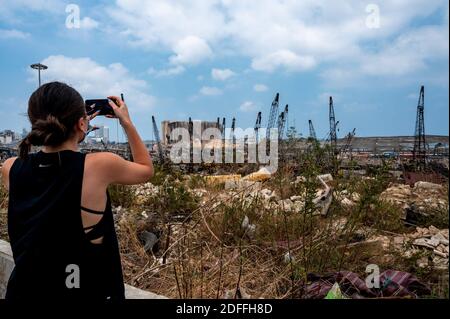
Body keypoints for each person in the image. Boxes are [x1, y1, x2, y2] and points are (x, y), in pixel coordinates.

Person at [0, 82, 153, 300]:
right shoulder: (97, 166)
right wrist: (126, 122)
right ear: (82, 124)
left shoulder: (11, 168)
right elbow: (146, 169)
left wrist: (79, 125)